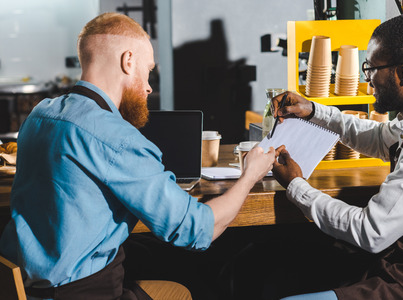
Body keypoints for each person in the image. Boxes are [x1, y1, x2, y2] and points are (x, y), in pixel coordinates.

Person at [0, 12, 275, 299]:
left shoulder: (40, 114)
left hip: (19, 287)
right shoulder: (116, 138)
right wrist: (250, 175)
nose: (149, 86)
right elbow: (197, 230)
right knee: (181, 290)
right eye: (149, 70)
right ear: (128, 61)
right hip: (80, 293)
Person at [271, 13, 403, 300]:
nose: (368, 81)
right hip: (401, 262)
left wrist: (297, 186)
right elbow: (379, 137)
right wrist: (314, 111)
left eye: (373, 69)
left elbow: (370, 232)